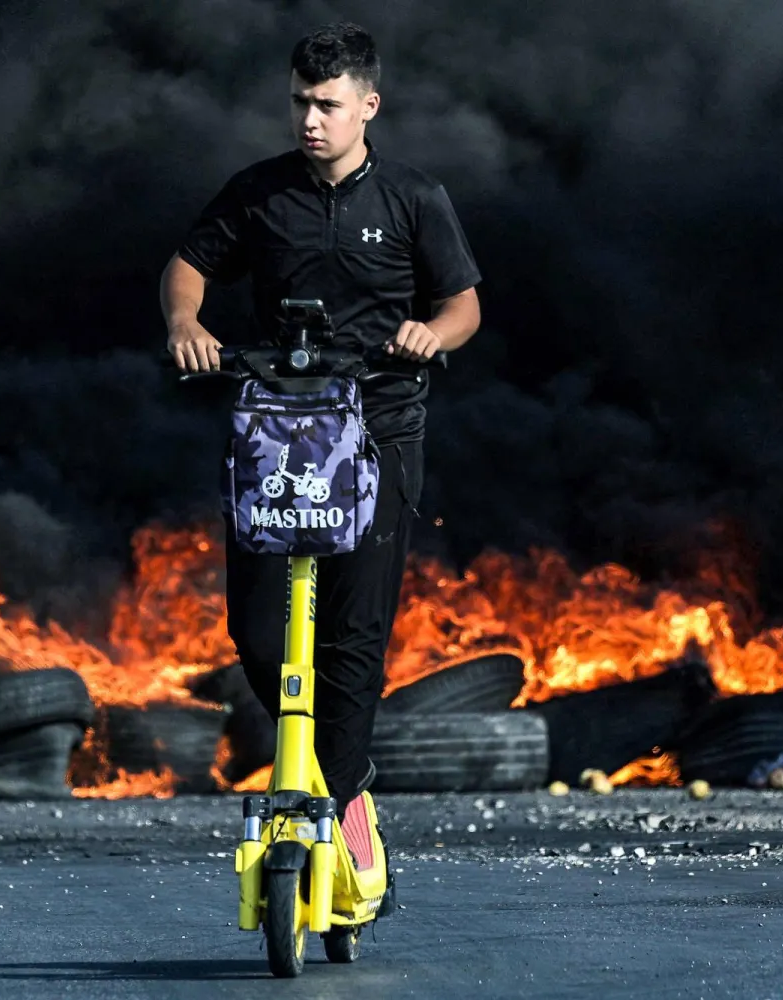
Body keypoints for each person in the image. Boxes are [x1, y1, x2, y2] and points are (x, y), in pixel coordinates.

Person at [159, 20, 482, 886]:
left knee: (353, 639)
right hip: (280, 433)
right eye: (300, 102)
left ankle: (337, 809)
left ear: (366, 106)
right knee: (258, 632)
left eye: (328, 105)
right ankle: (333, 779)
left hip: (380, 434)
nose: (310, 120)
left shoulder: (414, 197)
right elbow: (187, 265)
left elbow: (464, 306)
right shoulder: (259, 193)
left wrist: (428, 332)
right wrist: (186, 322)